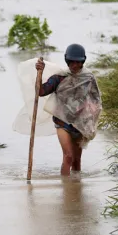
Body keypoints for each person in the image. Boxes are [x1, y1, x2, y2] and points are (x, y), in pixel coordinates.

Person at [36, 44, 102, 176]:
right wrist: (40, 73)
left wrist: (90, 112)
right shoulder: (59, 77)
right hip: (62, 122)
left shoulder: (88, 78)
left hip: (80, 123)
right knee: (68, 156)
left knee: (77, 161)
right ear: (67, 60)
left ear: (83, 61)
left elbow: (96, 99)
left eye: (78, 62)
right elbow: (41, 91)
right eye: (72, 62)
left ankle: (75, 189)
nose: (75, 65)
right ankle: (65, 187)